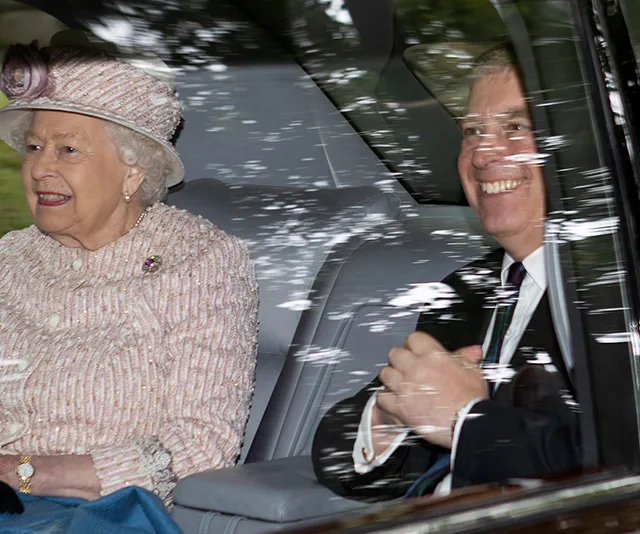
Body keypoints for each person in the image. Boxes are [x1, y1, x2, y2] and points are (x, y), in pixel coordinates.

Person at [0, 30, 258, 512]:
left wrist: (25, 472)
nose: (39, 169)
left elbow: (202, 446)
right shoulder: (8, 259)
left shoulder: (199, 262)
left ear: (133, 171)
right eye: (34, 148)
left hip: (97, 517)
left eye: (67, 150)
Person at [312, 43, 580, 501]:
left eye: (516, 127)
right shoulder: (465, 289)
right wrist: (391, 416)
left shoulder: (615, 295)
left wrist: (467, 418)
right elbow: (334, 449)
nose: (482, 153)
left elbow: (602, 467)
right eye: (473, 131)